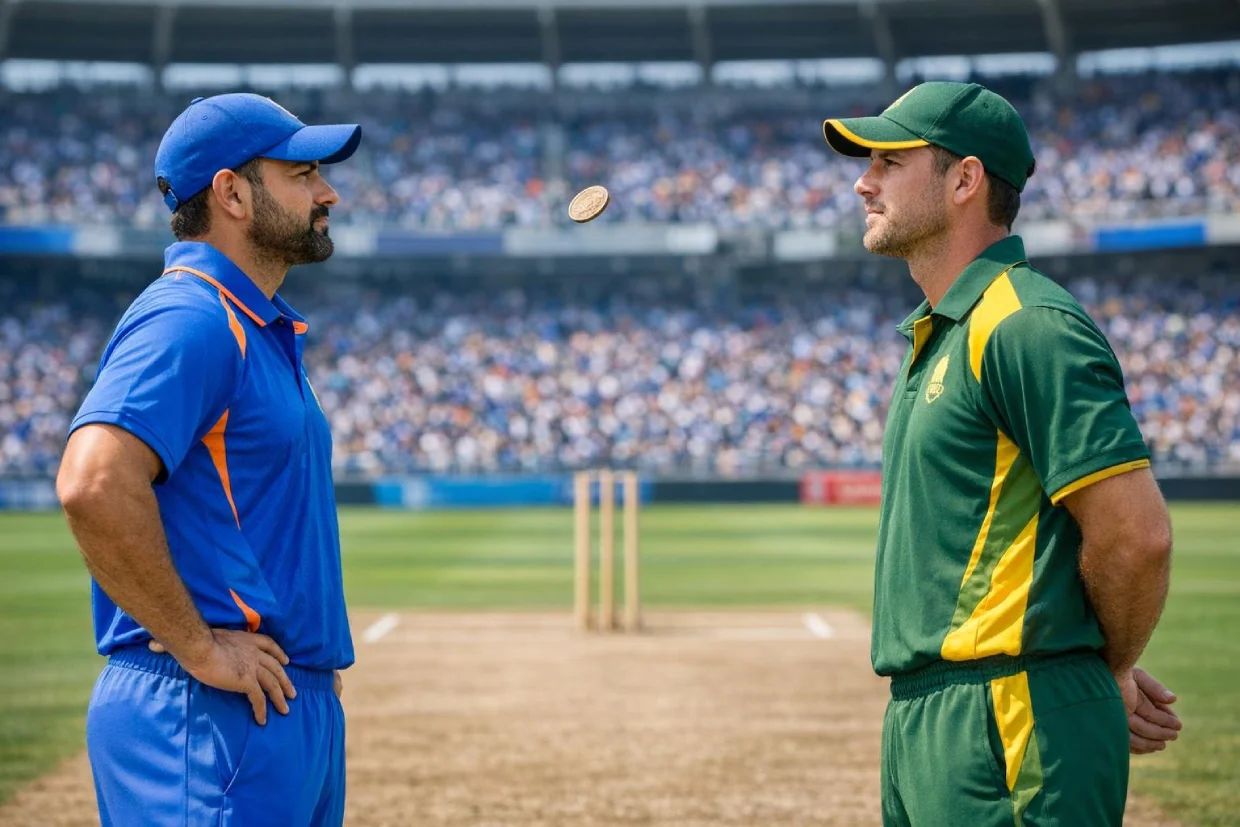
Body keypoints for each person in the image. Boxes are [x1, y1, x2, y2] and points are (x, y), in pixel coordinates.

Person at [820, 82, 1182, 825]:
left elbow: (1136, 535)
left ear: (964, 179)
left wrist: (1103, 667)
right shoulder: (943, 330)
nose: (863, 180)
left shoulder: (1027, 323)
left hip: (1010, 720)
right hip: (928, 721)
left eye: (889, 160)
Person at [56, 93, 362, 826]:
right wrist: (197, 646)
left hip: (278, 711)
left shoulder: (254, 323)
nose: (329, 192)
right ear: (231, 192)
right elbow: (93, 479)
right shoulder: (192, 315)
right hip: (206, 717)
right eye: (303, 172)